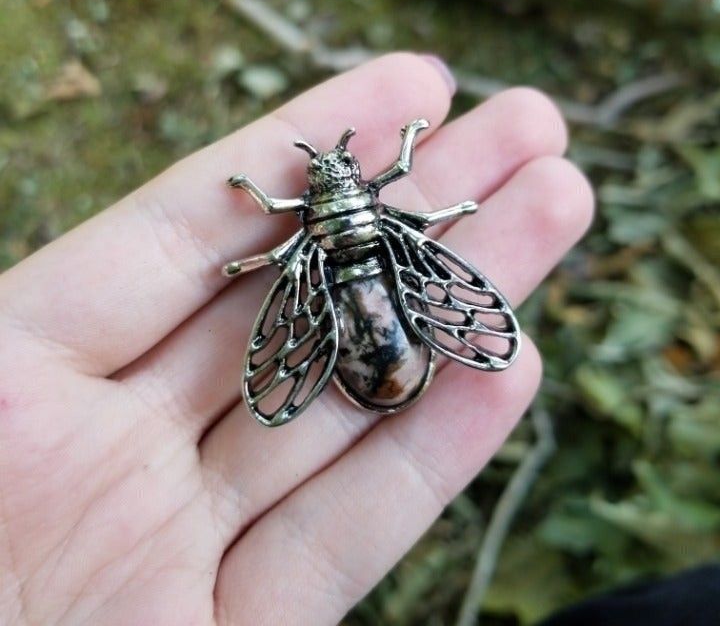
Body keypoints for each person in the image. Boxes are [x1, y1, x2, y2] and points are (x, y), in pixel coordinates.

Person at [0, 53, 593, 625]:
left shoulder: (310, 228)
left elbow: (303, 201)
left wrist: (256, 219)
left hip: (348, 267)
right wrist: (408, 143)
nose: (331, 172)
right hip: (375, 263)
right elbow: (392, 174)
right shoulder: (338, 215)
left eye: (334, 170)